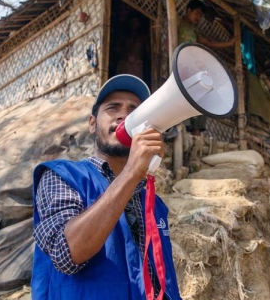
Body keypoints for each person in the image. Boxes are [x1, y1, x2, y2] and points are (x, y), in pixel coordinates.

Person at [31, 74, 182, 300]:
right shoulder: (62, 176)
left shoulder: (153, 201)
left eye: (134, 111)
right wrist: (131, 172)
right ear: (92, 124)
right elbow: (67, 253)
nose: (124, 115)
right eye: (113, 108)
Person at [179, 0, 235, 136]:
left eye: (200, 16)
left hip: (194, 71)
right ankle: (184, 132)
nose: (198, 18)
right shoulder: (177, 22)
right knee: (184, 100)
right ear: (189, 11)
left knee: (200, 99)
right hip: (181, 69)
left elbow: (208, 42)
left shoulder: (193, 31)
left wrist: (229, 43)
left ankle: (197, 133)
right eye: (197, 13)